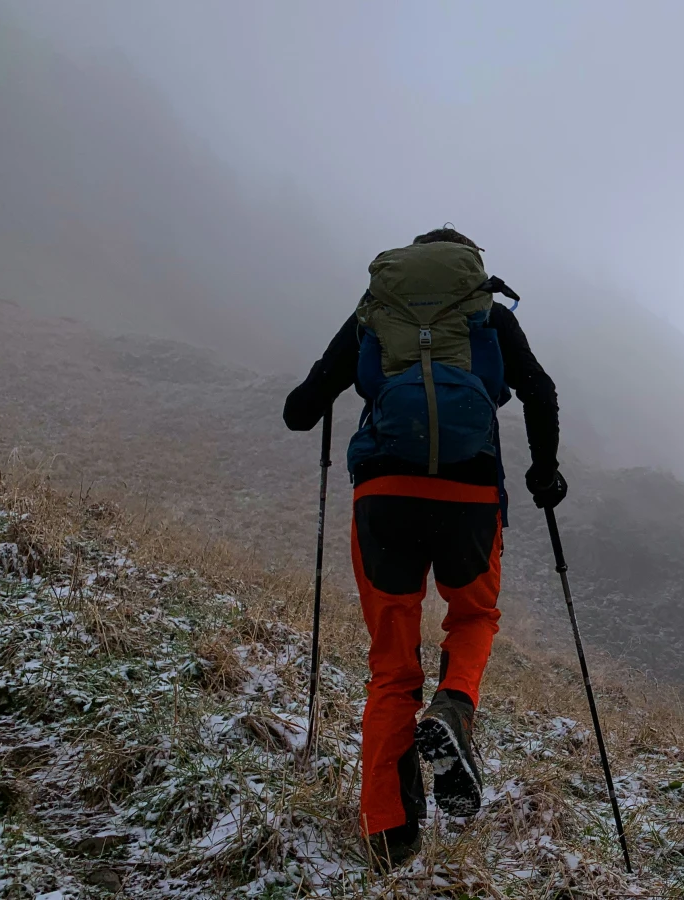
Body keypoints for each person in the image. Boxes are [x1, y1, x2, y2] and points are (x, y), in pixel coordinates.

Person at [282, 226, 566, 870]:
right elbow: (541, 392)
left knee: (390, 667)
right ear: (467, 268)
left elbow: (301, 410)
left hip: (383, 495)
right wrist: (543, 475)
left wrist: (325, 396)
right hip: (470, 498)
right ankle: (455, 705)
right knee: (473, 616)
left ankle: (388, 835)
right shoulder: (487, 315)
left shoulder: (374, 312)